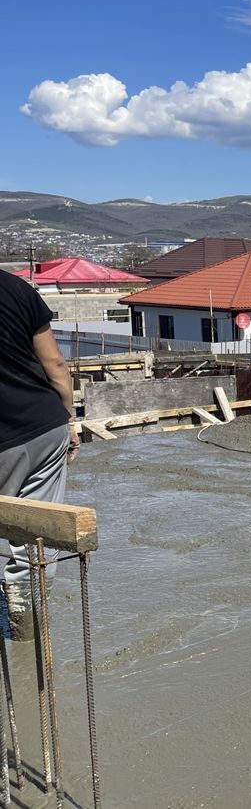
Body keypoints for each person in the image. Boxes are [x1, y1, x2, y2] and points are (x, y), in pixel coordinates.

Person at [0, 270, 78, 640]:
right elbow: (56, 366)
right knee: (34, 535)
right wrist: (70, 419)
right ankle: (27, 629)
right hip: (44, 428)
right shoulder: (16, 287)